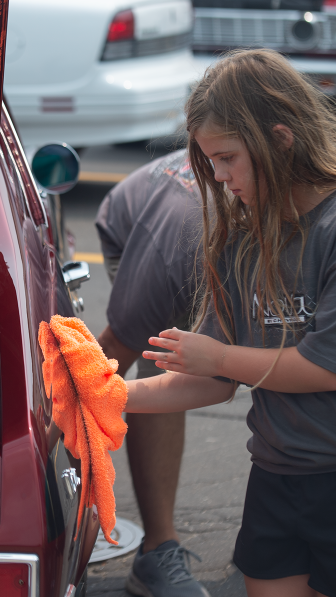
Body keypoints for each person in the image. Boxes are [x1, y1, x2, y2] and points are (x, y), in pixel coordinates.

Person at [124, 49, 336, 597]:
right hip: (277, 474)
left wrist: (219, 358)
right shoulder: (243, 236)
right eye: (211, 164)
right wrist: (107, 396)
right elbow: (210, 380)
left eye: (227, 158)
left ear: (280, 139)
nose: (221, 178)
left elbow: (329, 369)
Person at [95, 149, 210, 597]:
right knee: (162, 358)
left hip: (207, 241)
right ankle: (158, 549)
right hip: (141, 229)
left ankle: (281, 525)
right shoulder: (179, 238)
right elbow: (109, 356)